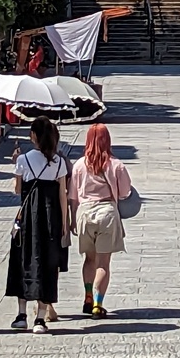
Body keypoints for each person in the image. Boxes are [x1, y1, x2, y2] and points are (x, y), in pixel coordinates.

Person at [8, 115, 69, 333]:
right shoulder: (59, 162)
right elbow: (62, 194)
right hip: (51, 219)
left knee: (23, 261)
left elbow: (17, 190)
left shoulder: (23, 159)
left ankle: (21, 314)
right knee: (48, 265)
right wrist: (64, 223)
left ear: (33, 135)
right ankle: (40, 319)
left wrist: (16, 161)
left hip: (28, 218)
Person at [70, 123, 133, 319]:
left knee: (89, 259)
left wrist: (72, 219)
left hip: (85, 213)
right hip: (106, 213)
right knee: (103, 263)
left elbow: (73, 195)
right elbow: (125, 192)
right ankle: (98, 303)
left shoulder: (79, 165)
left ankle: (88, 295)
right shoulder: (116, 165)